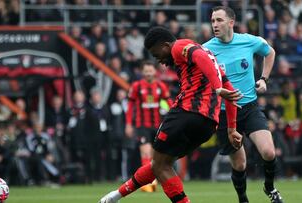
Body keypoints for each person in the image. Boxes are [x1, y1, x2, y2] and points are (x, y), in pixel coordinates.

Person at [98, 26, 242, 203]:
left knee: (159, 165)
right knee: (160, 165)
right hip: (208, 124)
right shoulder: (212, 62)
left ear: (165, 45)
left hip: (186, 113)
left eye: (156, 54)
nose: (159, 60)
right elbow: (231, 93)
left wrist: (217, 87)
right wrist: (232, 129)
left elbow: (198, 55)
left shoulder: (179, 46)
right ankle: (116, 196)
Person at [203, 6, 282, 203]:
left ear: (231, 22)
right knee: (240, 165)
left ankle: (270, 188)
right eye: (213, 21)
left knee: (269, 152)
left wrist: (264, 79)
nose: (215, 25)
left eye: (219, 20)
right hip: (224, 113)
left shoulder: (248, 41)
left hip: (249, 108)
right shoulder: (205, 49)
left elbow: (270, 52)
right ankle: (243, 199)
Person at [125, 60, 172, 192]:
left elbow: (168, 102)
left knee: (156, 155)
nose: (148, 73)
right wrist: (128, 124)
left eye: (150, 71)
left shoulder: (161, 86)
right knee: (145, 151)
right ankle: (148, 184)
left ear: (155, 72)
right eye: (146, 71)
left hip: (158, 125)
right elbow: (130, 107)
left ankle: (154, 179)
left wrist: (173, 115)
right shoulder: (136, 86)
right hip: (142, 126)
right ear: (142, 72)